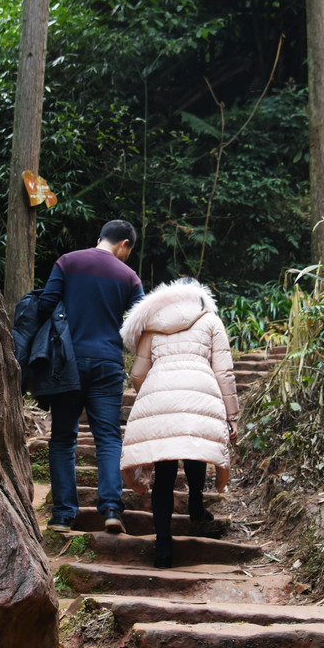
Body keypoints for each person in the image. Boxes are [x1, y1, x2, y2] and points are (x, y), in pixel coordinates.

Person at [119, 276, 239, 568]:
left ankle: (163, 547)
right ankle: (196, 503)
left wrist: (152, 394)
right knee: (194, 447)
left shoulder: (152, 325)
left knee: (164, 471)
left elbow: (137, 373)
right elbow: (223, 372)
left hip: (159, 394)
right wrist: (232, 415)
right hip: (201, 392)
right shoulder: (210, 321)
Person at [39, 220, 144, 533]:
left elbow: (46, 304)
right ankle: (111, 508)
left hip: (67, 362)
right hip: (108, 362)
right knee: (109, 438)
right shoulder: (129, 276)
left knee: (62, 438)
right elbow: (139, 323)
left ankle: (62, 515)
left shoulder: (68, 262)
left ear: (99, 237)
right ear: (125, 244)